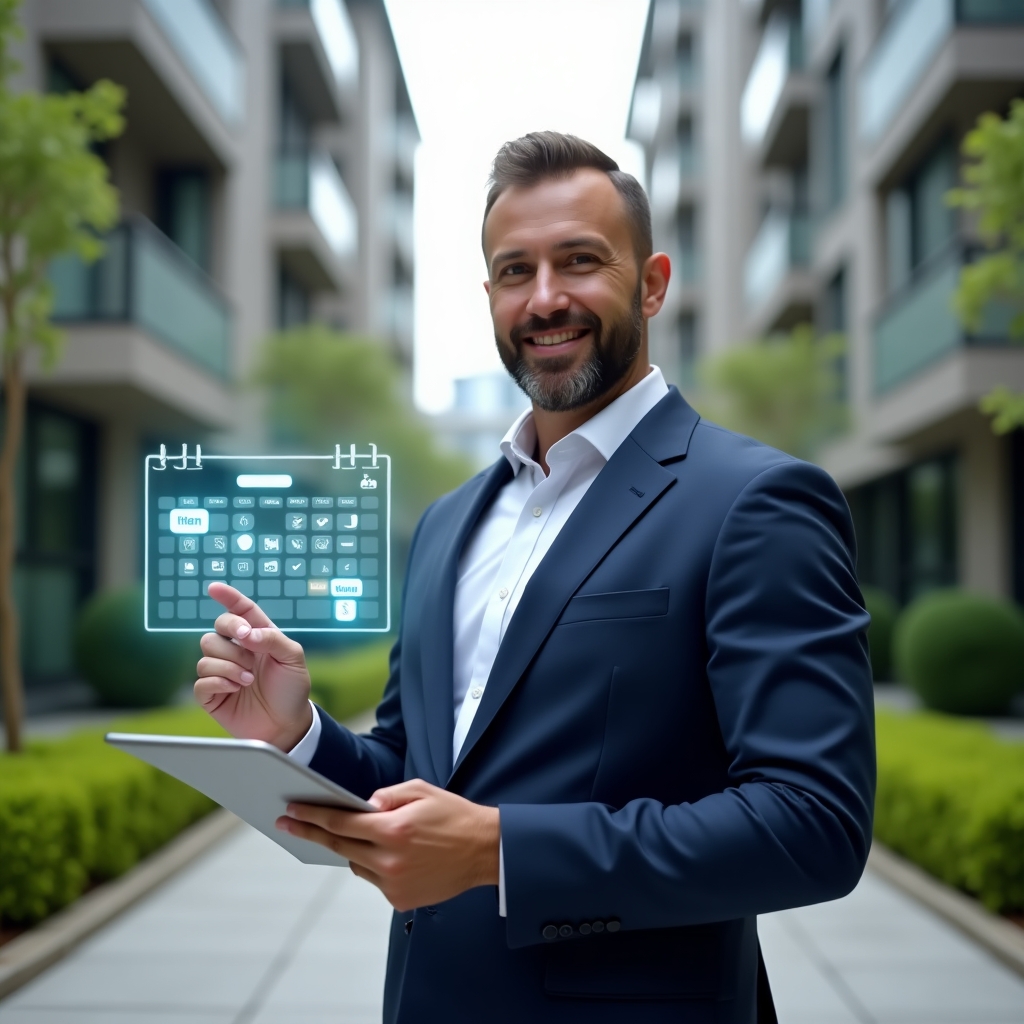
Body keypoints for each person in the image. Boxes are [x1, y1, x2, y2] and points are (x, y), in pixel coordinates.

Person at [196, 132, 875, 1023]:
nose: (545, 298)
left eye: (580, 261)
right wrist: (298, 735)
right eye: (515, 271)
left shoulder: (756, 501)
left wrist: (499, 850)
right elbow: (418, 774)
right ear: (490, 297)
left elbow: (813, 824)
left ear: (653, 284)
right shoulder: (447, 524)